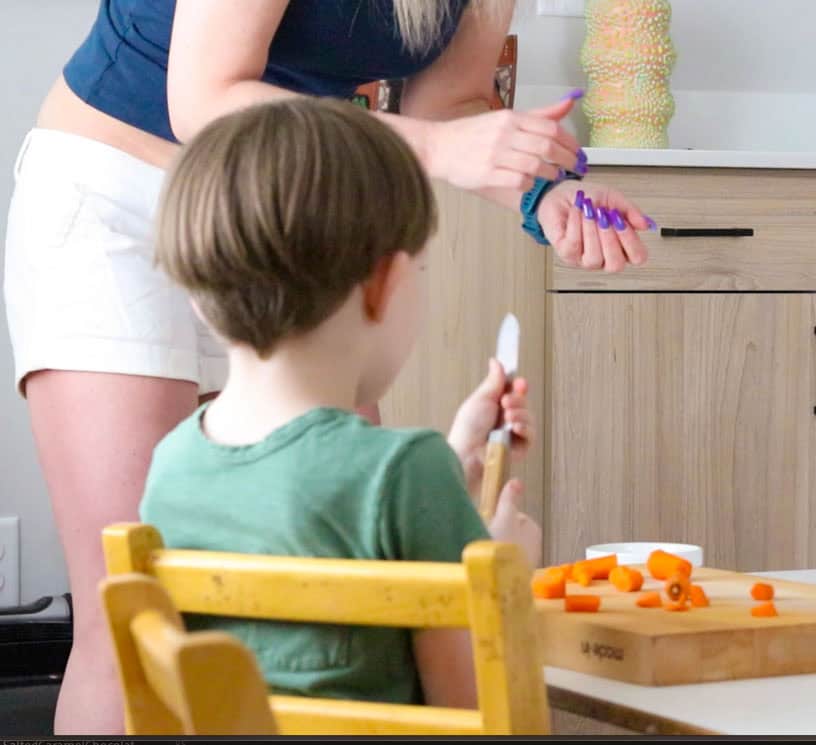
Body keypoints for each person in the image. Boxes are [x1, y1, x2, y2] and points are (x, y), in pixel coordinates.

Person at [4, 0, 650, 734]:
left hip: (287, 211)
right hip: (119, 194)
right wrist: (498, 565)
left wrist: (547, 192)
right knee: (124, 611)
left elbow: (447, 108)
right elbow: (206, 97)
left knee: (346, 588)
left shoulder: (406, 472)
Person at [142, 96, 541, 711]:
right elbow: (477, 711)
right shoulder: (405, 470)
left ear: (198, 297)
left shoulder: (170, 466)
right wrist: (503, 575)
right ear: (384, 285)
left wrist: (451, 467)